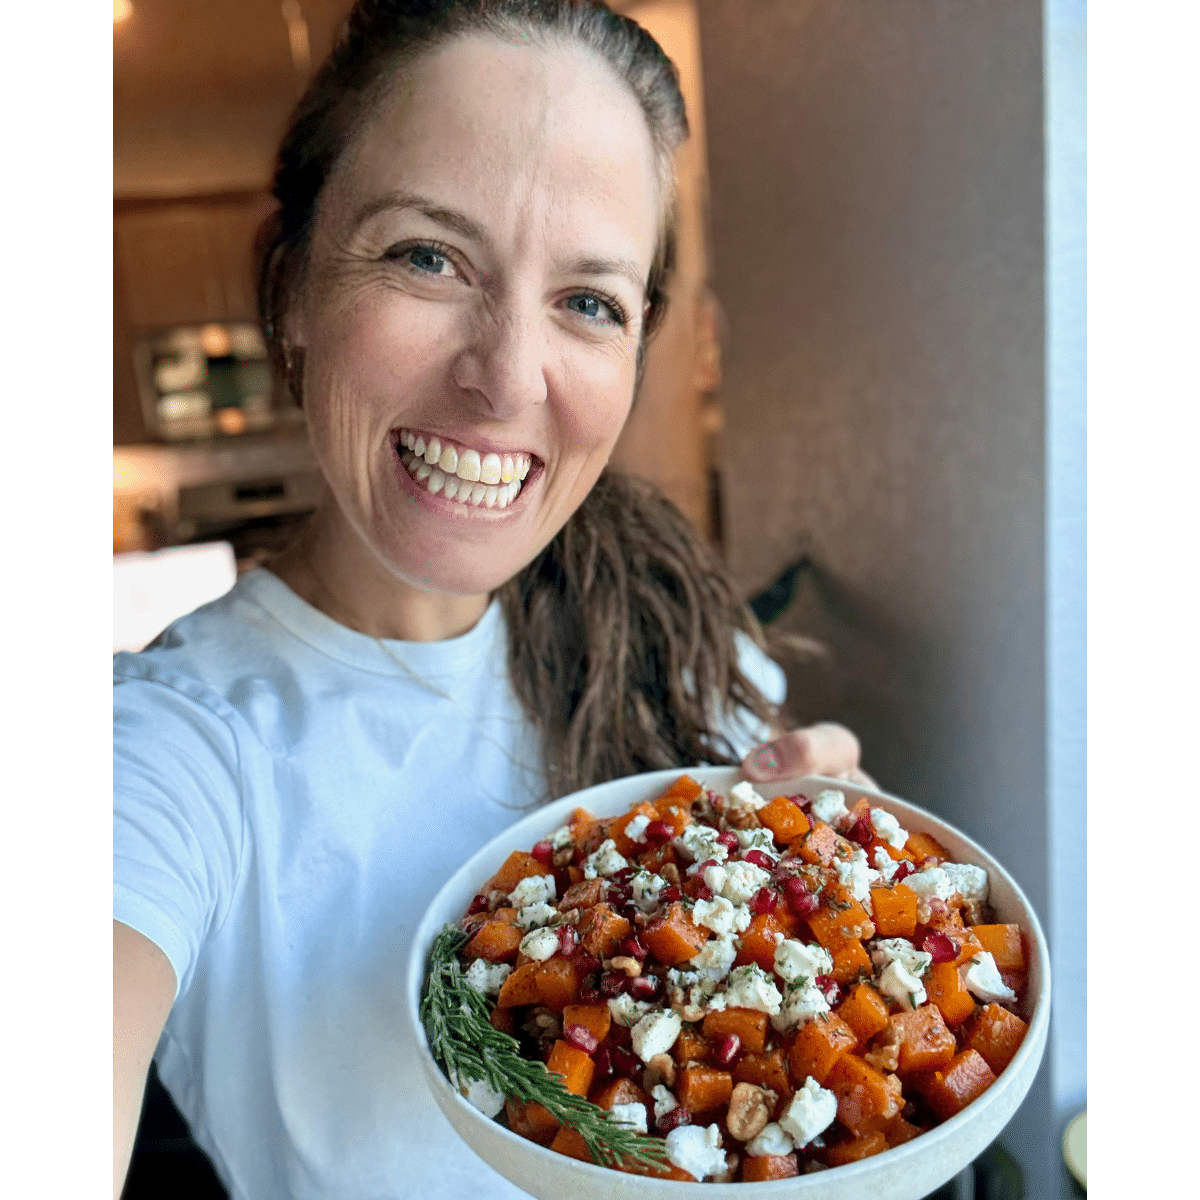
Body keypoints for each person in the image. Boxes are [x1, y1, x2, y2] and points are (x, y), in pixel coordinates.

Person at [113, 3, 869, 1197]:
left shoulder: (679, 633)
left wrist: (847, 906)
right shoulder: (169, 746)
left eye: (589, 302)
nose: (507, 378)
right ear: (294, 285)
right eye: (428, 256)